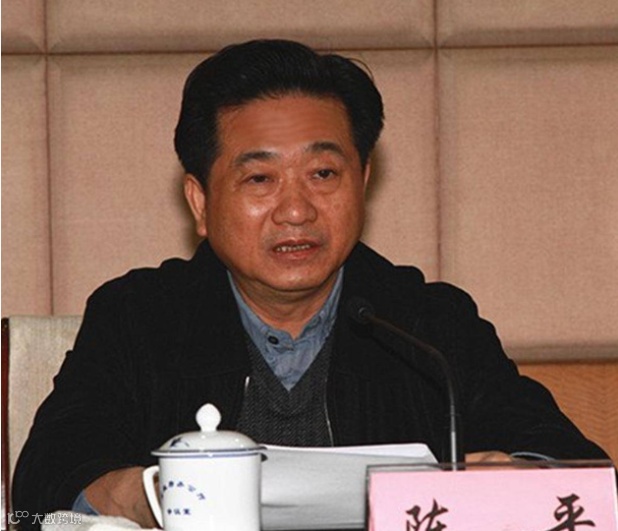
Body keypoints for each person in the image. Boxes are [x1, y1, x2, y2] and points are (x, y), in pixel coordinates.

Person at [12, 39, 609, 530]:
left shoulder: (427, 324)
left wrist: (519, 479)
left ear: (363, 182)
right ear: (200, 201)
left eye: (323, 173)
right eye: (260, 179)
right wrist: (146, 497)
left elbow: (573, 467)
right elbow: (41, 490)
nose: (296, 210)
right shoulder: (140, 319)